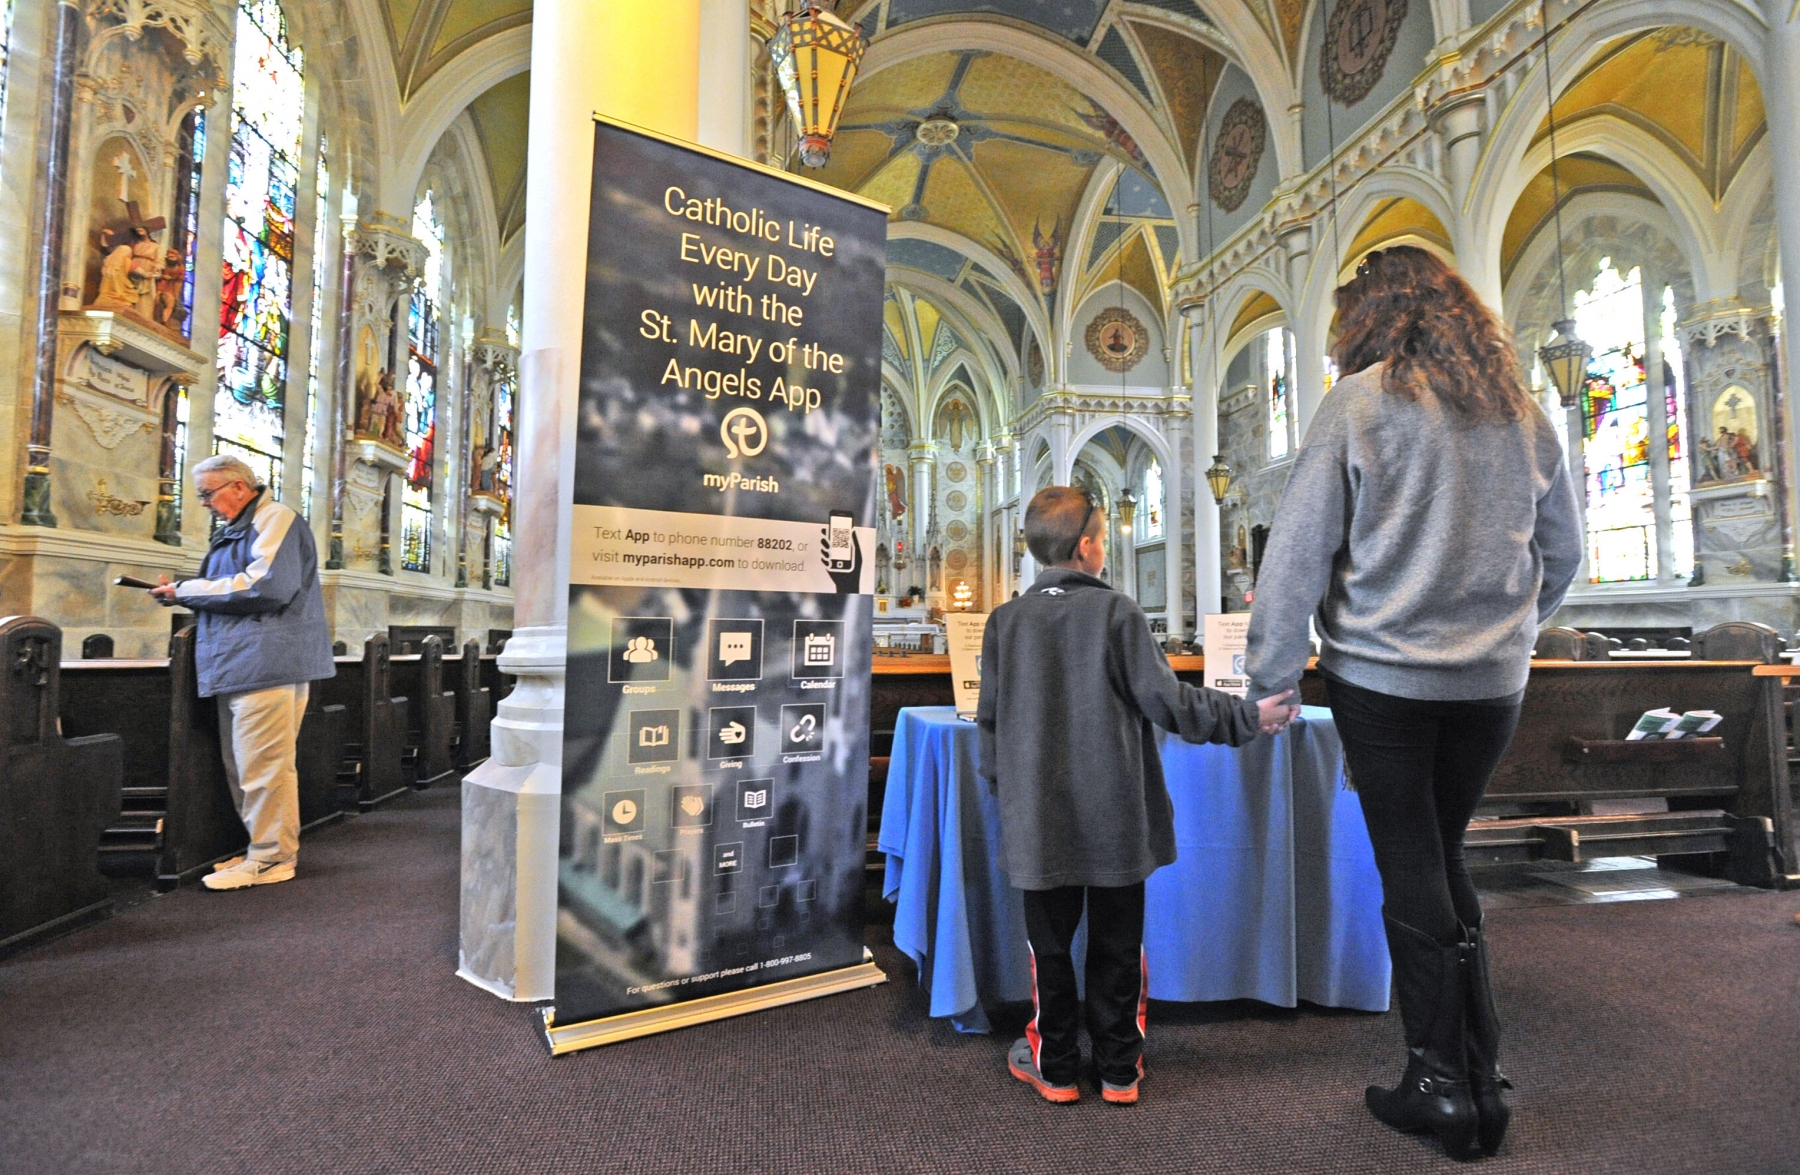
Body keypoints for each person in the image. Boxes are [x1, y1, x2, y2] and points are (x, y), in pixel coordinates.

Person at [1245, 246, 1582, 1158]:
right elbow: (1566, 553)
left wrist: (1271, 675)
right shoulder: (1519, 409)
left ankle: (1441, 1085)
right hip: (1491, 688)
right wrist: (1509, 631)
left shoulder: (1360, 402)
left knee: (1411, 866)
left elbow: (1297, 554)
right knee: (1440, 854)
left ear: (1368, 316)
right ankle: (1480, 1068)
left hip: (1385, 679)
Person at [978, 485, 1297, 1106]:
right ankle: (1121, 1069)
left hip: (1037, 820)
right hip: (1116, 813)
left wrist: (1008, 797)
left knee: (1048, 947)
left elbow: (989, 726)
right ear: (1090, 546)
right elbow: (1170, 703)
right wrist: (1246, 717)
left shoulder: (1004, 622)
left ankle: (1058, 1069)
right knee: (1119, 942)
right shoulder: (1117, 613)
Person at [151, 455, 336, 890]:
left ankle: (273, 858)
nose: (204, 503)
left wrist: (186, 591)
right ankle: (261, 848)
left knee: (264, 767)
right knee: (244, 767)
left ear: (237, 486)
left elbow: (265, 585)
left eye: (207, 493)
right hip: (240, 660)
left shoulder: (275, 517)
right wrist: (183, 592)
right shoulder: (240, 526)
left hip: (266, 662)